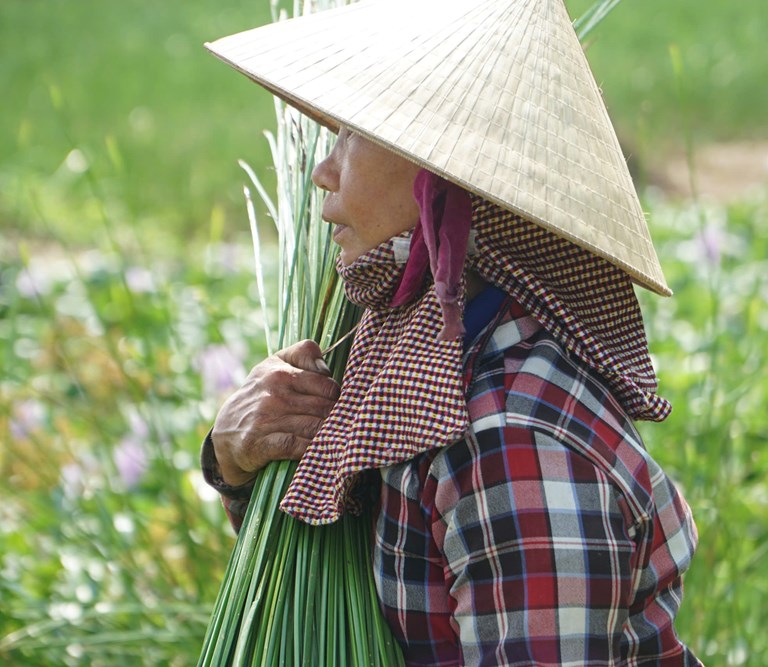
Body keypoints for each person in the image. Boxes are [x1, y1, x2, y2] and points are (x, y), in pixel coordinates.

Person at [202, 0, 700, 663]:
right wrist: (237, 462)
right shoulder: (413, 347)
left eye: (349, 134)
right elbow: (319, 577)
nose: (322, 170)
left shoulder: (511, 441)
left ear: (437, 174)